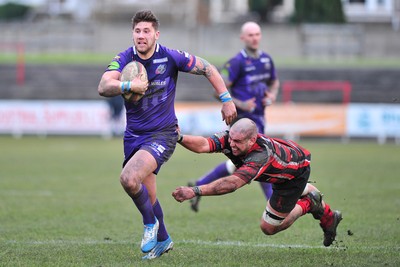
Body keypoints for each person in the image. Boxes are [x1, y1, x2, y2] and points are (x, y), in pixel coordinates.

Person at [97, 10, 236, 260]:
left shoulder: (171, 57)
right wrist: (129, 85)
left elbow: (208, 68)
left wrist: (226, 99)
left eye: (146, 31)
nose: (141, 36)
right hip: (134, 137)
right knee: (147, 194)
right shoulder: (124, 58)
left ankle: (150, 226)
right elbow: (104, 85)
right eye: (137, 31)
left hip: (163, 134)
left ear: (156, 34)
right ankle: (164, 239)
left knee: (129, 179)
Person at [173, 118, 342, 247]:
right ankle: (326, 214)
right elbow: (203, 144)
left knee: (268, 227)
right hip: (282, 164)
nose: (232, 144)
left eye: (237, 142)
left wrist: (195, 191)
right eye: (231, 138)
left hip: (294, 174)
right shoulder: (231, 139)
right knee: (272, 203)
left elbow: (232, 184)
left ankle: (310, 203)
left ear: (252, 141)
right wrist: (179, 137)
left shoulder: (261, 155)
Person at [187, 21, 279, 212]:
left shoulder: (267, 61)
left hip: (259, 120)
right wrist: (241, 103)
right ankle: (274, 206)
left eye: (257, 34)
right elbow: (218, 91)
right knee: (262, 159)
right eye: (250, 34)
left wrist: (272, 94)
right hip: (242, 123)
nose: (254, 38)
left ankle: (197, 186)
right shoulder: (236, 62)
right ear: (243, 38)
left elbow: (274, 82)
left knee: (237, 165)